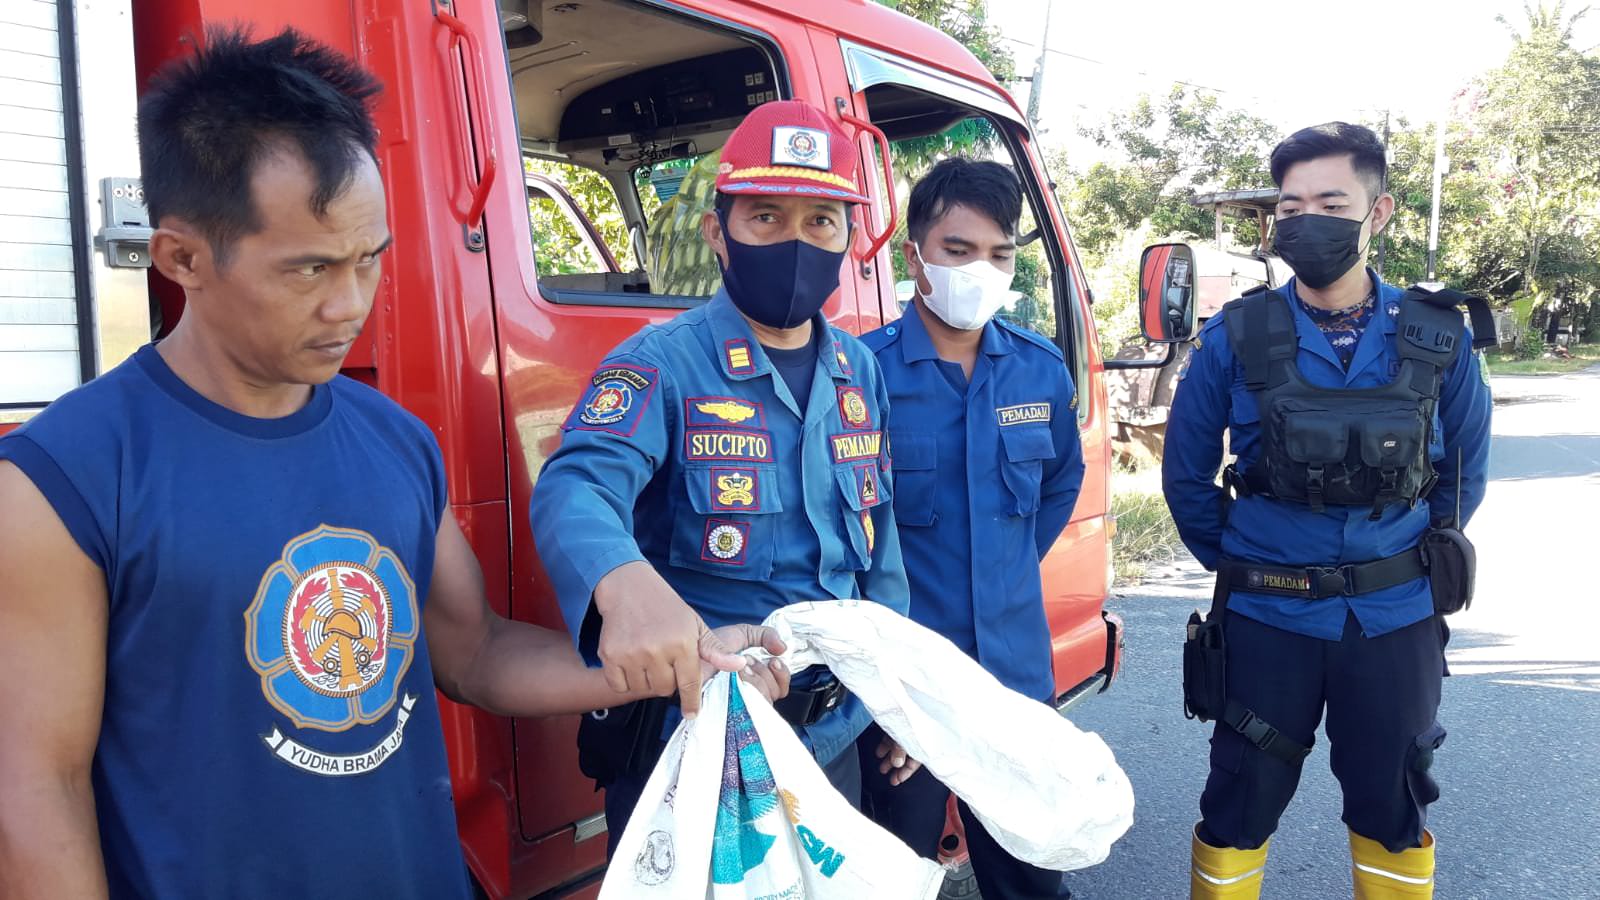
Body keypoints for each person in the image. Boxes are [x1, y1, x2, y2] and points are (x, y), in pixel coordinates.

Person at [0, 29, 789, 899]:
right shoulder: (60, 483)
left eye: (370, 260)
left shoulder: (394, 441)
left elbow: (475, 650)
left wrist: (681, 656)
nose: (349, 304)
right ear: (182, 258)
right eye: (309, 269)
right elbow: (35, 789)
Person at [529, 99, 911, 853]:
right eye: (766, 217)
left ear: (849, 238)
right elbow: (577, 488)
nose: (797, 242)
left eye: (821, 222)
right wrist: (625, 584)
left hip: (829, 738)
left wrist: (898, 699)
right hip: (696, 745)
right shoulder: (662, 362)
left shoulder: (857, 368)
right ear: (717, 232)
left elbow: (880, 551)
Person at [1164, 122, 1493, 899]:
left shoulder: (1437, 337)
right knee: (1239, 802)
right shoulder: (1236, 336)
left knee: (1394, 804)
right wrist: (1258, 563)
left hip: (1395, 620)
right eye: (1291, 204)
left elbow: (1461, 482)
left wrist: (1392, 564)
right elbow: (1187, 480)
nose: (1305, 219)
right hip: (1267, 621)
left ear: (1376, 214)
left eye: (1330, 201)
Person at [855, 157, 1085, 899]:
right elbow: (846, 531)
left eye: (999, 253)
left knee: (1030, 877)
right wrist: (885, 697)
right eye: (958, 251)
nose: (979, 269)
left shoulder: (1040, 369)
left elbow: (1058, 486)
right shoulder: (862, 374)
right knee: (896, 874)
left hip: (1016, 683)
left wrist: (1001, 572)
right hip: (908, 689)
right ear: (914, 255)